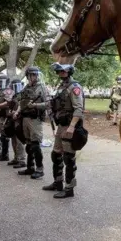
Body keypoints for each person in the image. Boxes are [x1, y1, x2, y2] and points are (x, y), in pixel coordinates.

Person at [43, 63, 84, 198]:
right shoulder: (62, 87)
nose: (60, 73)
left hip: (69, 126)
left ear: (69, 72)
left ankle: (69, 189)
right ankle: (57, 182)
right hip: (61, 125)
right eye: (59, 71)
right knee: (56, 155)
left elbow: (78, 108)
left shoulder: (74, 87)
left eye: (63, 71)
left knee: (68, 157)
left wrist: (72, 127)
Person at [16, 67, 47, 178]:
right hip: (25, 117)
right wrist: (17, 111)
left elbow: (48, 104)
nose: (33, 77)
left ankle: (39, 169)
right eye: (31, 75)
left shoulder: (42, 87)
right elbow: (21, 101)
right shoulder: (26, 87)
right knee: (28, 145)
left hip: (35, 119)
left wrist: (35, 105)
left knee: (35, 145)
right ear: (28, 76)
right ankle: (30, 167)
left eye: (35, 74)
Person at [6, 78, 26, 167]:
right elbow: (9, 106)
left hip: (20, 120)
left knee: (19, 141)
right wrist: (10, 113)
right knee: (13, 139)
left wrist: (17, 113)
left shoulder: (23, 94)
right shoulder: (13, 95)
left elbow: (23, 107)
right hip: (12, 119)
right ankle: (16, 157)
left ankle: (21, 160)